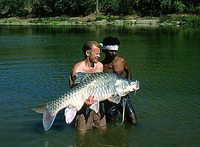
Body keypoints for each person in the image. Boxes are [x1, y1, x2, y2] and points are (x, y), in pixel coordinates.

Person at [69, 41, 106, 133]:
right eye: (97, 54)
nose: (99, 56)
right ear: (87, 53)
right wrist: (85, 104)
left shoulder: (100, 66)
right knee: (81, 133)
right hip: (82, 106)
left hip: (97, 103)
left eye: (99, 54)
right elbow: (74, 91)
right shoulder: (78, 69)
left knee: (103, 129)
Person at [101, 36, 138, 125]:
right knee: (111, 123)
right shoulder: (101, 66)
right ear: (105, 51)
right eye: (111, 51)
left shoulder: (122, 61)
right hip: (110, 98)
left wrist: (128, 84)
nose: (114, 53)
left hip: (123, 96)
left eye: (115, 51)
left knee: (133, 122)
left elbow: (128, 72)